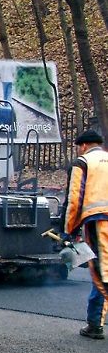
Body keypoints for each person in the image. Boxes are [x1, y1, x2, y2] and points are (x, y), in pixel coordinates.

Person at [64, 129, 108, 340]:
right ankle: (94, 323)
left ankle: (95, 325)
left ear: (82, 146)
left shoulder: (83, 162)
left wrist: (69, 231)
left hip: (99, 221)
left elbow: (75, 199)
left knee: (102, 275)